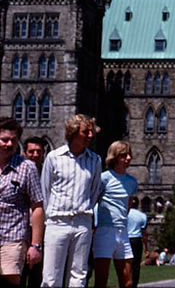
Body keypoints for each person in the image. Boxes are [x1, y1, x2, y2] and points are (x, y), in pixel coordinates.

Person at [40, 114, 103, 288]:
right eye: (86, 132)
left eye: (92, 132)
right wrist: (50, 218)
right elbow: (45, 191)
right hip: (57, 222)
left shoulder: (95, 160)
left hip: (83, 222)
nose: (90, 136)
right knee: (51, 277)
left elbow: (95, 191)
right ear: (74, 132)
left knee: (79, 276)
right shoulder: (54, 157)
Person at [0, 118, 44, 288]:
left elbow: (38, 207)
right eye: (4, 139)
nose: (9, 144)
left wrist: (36, 246)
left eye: (13, 140)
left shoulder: (27, 167)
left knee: (11, 281)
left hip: (13, 237)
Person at [93, 141, 139, 288]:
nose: (128, 158)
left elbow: (128, 205)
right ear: (115, 157)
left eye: (129, 155)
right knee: (101, 279)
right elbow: (94, 200)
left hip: (123, 232)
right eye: (123, 155)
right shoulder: (104, 178)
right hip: (105, 232)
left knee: (127, 281)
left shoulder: (132, 182)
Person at [18, 137, 46, 288]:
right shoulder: (17, 172)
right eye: (31, 151)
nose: (35, 154)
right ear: (24, 153)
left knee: (38, 275)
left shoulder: (48, 174)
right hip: (21, 228)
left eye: (39, 151)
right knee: (19, 274)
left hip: (42, 230)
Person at [126, 198, 148, 288]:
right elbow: (144, 234)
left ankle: (126, 281)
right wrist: (146, 248)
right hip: (136, 240)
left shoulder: (125, 214)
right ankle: (134, 283)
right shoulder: (142, 215)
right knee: (136, 264)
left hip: (126, 238)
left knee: (126, 262)